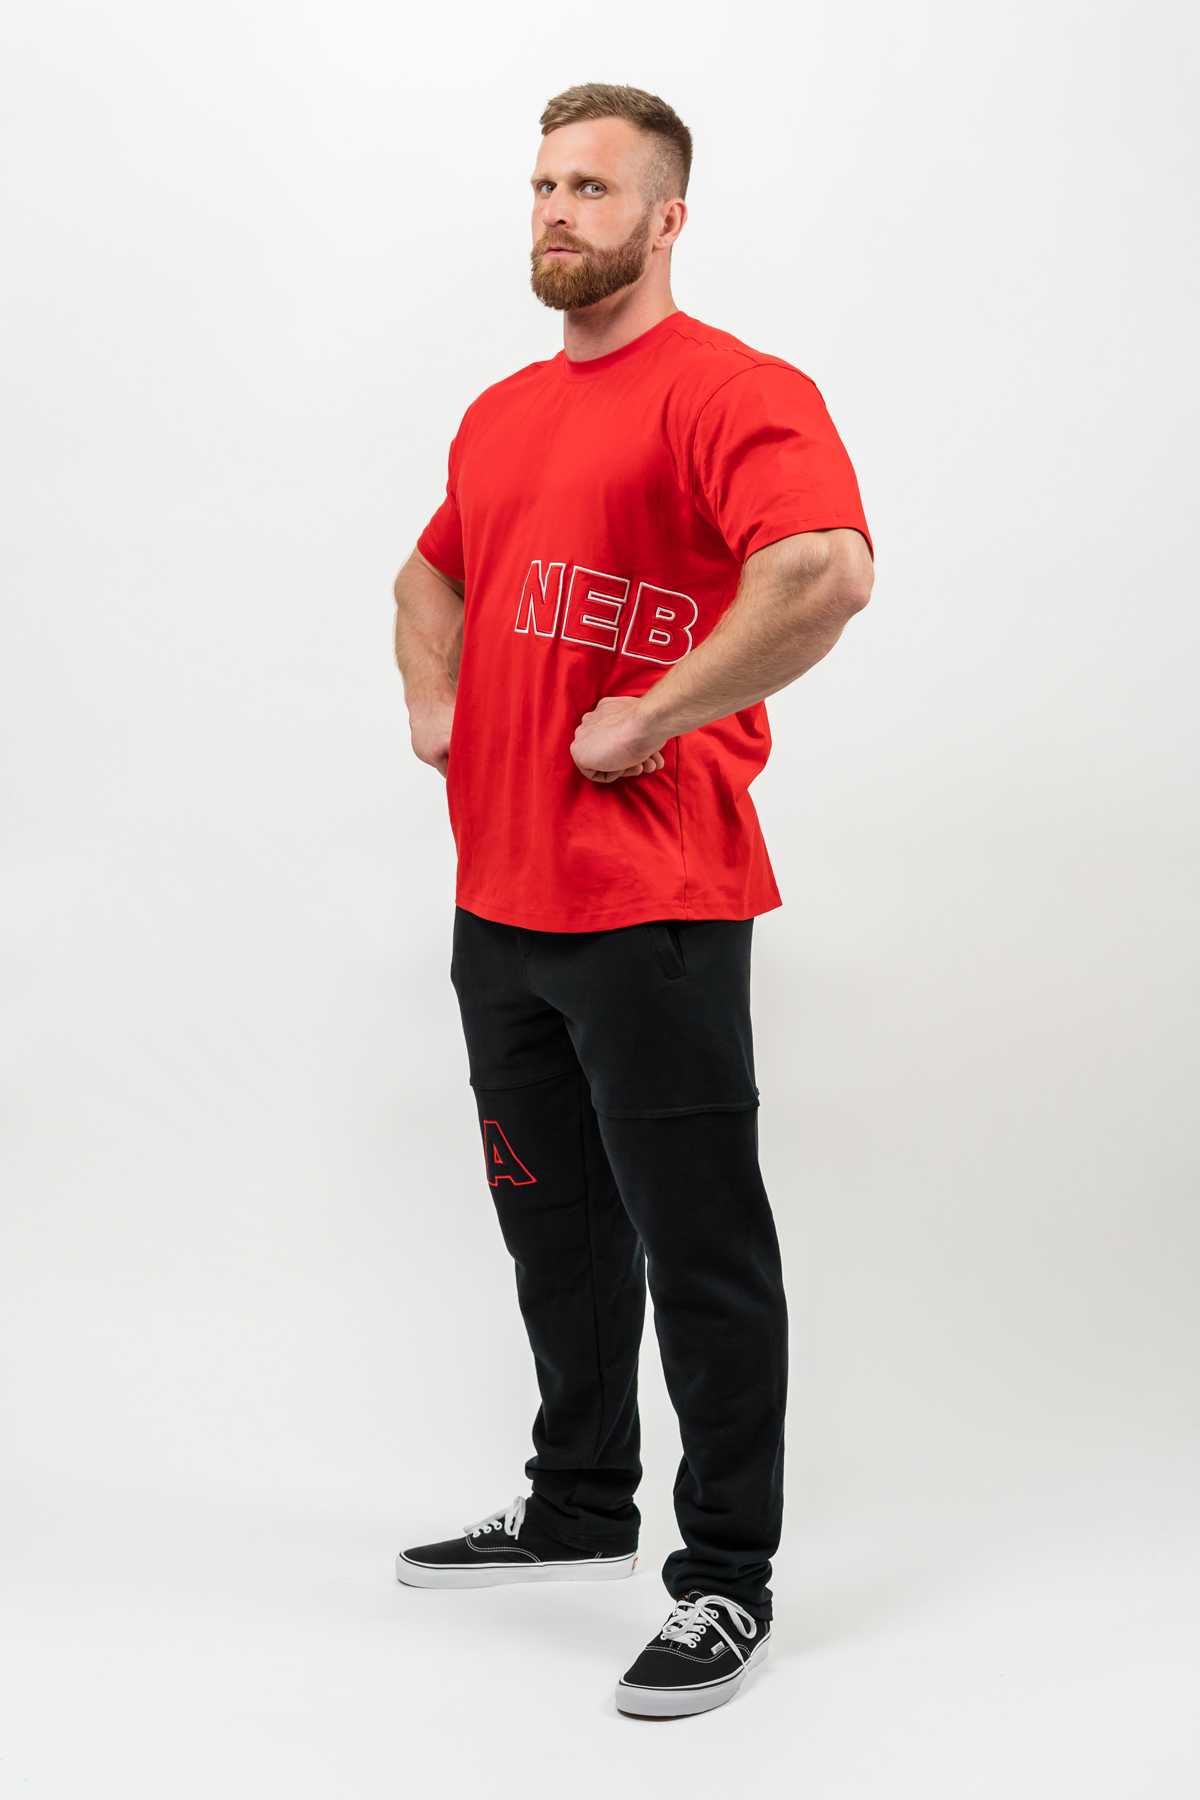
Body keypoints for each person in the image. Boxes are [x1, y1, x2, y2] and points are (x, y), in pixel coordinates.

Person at [391, 80, 874, 1720]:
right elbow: (429, 570)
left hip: (656, 905)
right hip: (501, 900)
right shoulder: (503, 413)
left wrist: (656, 711)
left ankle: (725, 1576)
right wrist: (434, 698)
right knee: (554, 1224)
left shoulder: (732, 390)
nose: (556, 210)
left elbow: (825, 568)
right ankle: (579, 1501)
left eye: (592, 188)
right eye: (542, 184)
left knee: (699, 1246)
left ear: (667, 218)